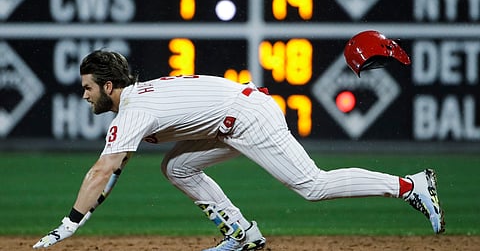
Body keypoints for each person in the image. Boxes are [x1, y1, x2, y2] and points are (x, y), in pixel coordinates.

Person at [33, 49, 445, 251]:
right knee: (177, 168)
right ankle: (242, 234)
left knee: (312, 186)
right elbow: (110, 170)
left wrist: (68, 224)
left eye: (88, 87)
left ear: (108, 87)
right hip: (229, 121)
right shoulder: (138, 103)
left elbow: (102, 172)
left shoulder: (134, 111)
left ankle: (410, 186)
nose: (83, 95)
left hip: (249, 118)